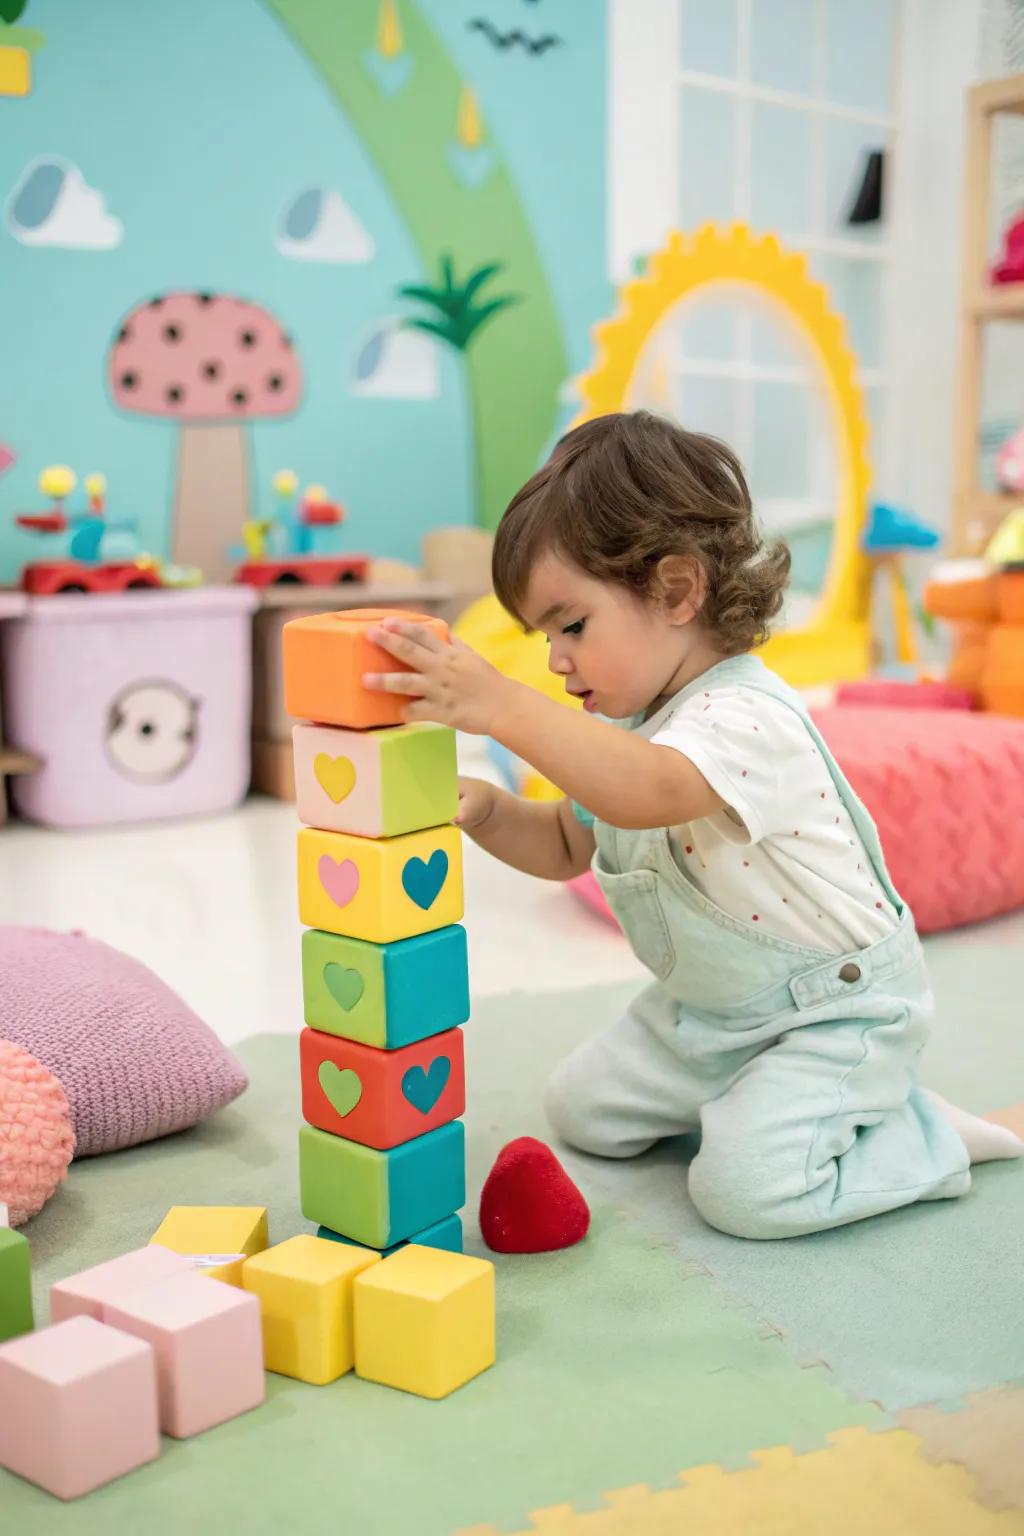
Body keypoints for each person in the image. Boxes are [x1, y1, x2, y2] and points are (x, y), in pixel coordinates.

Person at [362, 410, 1023, 1240]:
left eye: (571, 626)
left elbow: (649, 792)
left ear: (676, 591)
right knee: (582, 1112)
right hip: (710, 1015)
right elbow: (570, 841)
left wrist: (500, 705)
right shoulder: (630, 733)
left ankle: (921, 1138)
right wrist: (490, 812)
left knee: (745, 1194)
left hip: (833, 1015)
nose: (555, 660)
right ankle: (764, 1101)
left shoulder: (743, 720)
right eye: (543, 638)